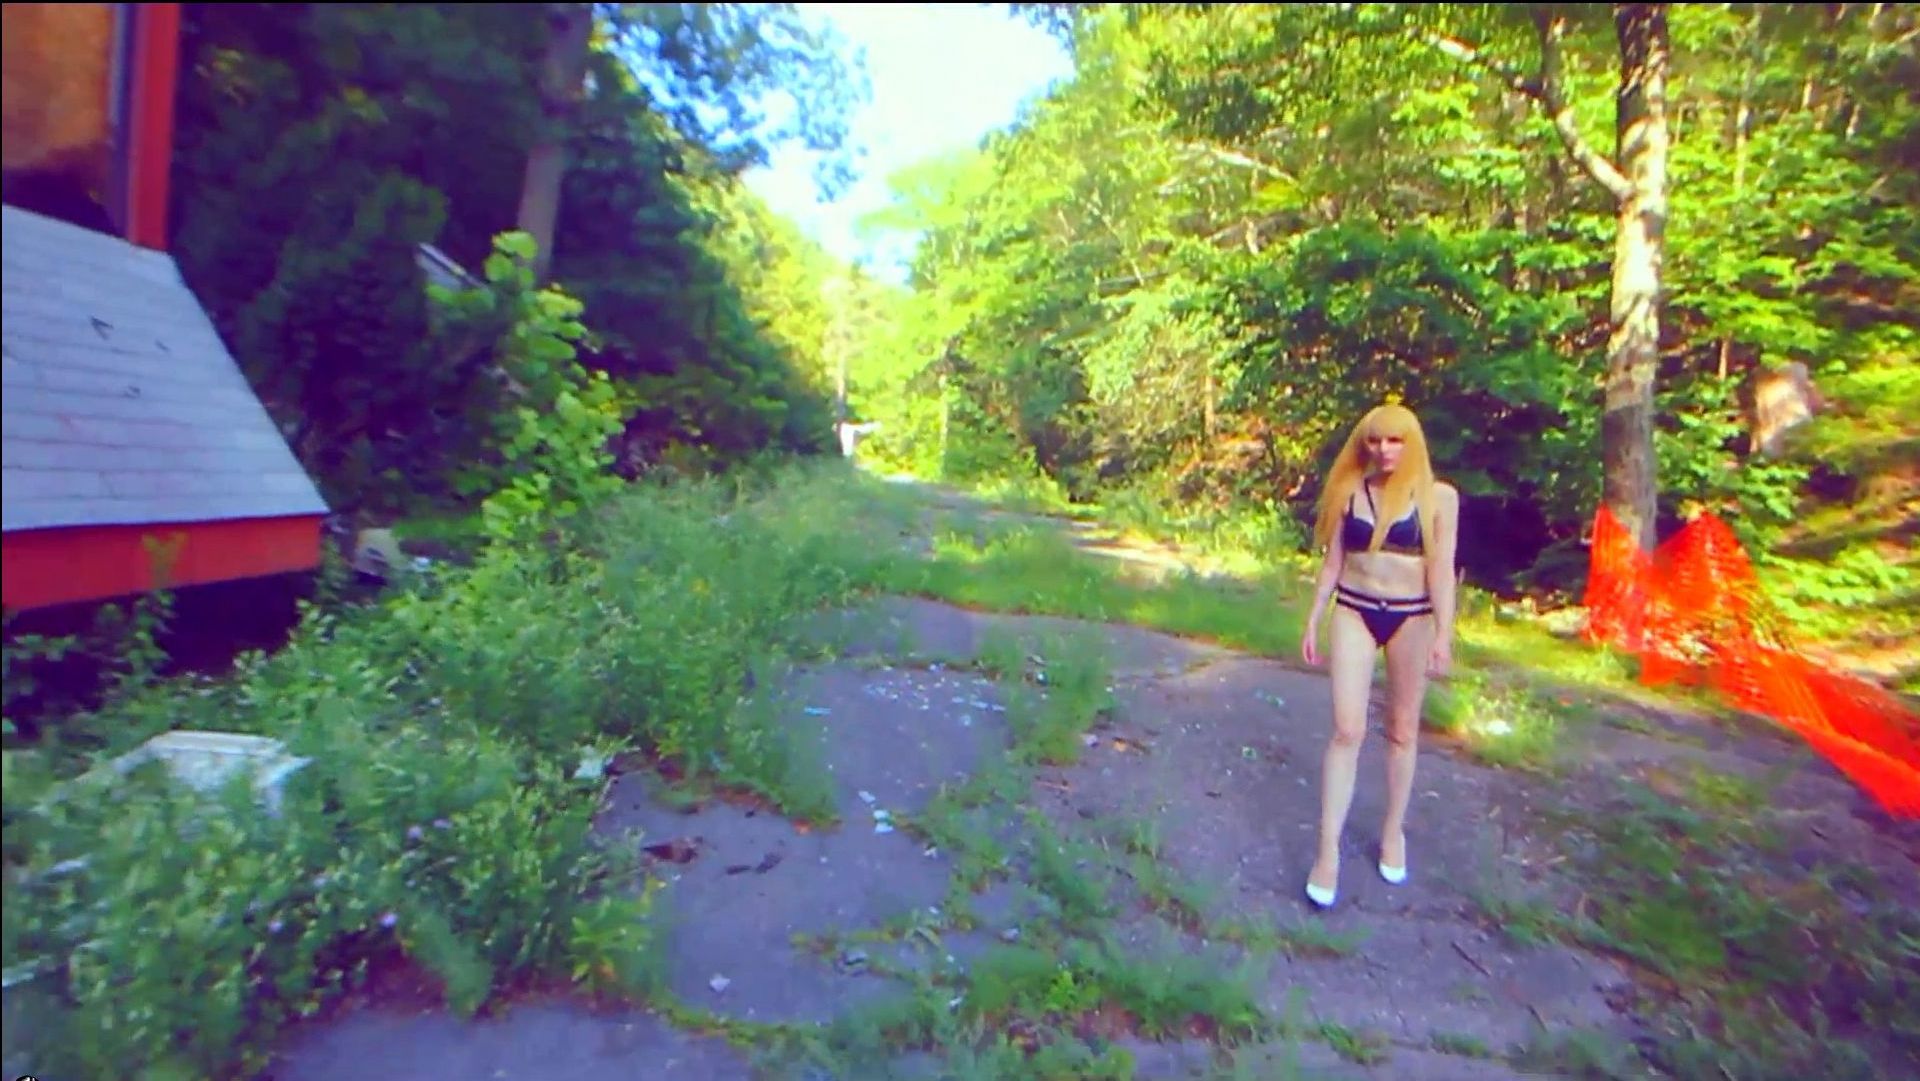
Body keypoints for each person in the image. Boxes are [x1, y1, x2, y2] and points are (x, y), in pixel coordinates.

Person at [1297, 402, 1459, 909]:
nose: (1384, 450)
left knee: (1403, 729)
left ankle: (1393, 831)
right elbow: (1333, 563)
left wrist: (1444, 633)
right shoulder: (1350, 491)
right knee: (1347, 729)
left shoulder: (1439, 497)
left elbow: (1441, 569)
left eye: (1394, 440)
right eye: (1375, 440)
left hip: (1412, 617)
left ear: (1412, 443)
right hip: (1354, 609)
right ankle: (1327, 853)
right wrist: (1314, 616)